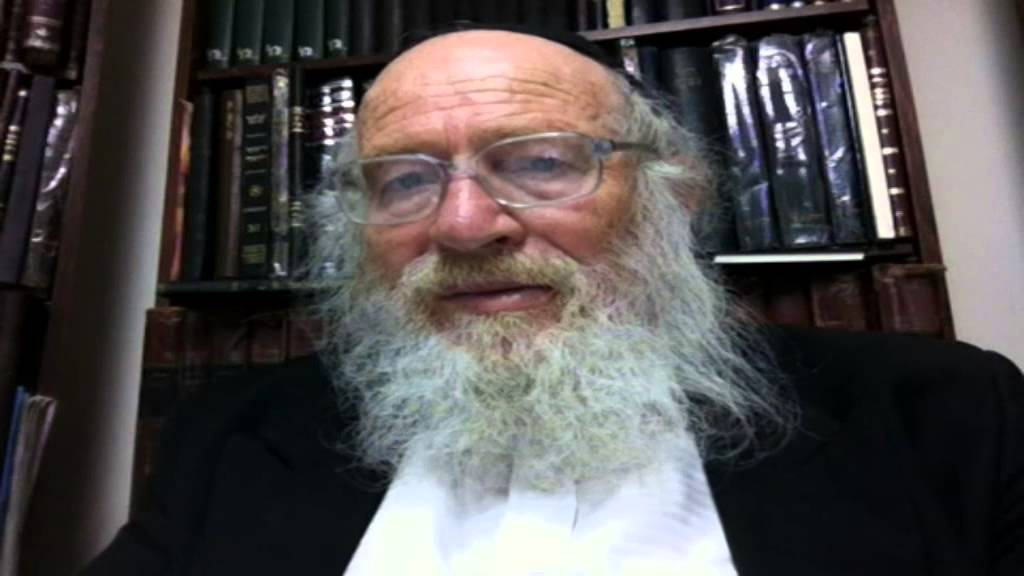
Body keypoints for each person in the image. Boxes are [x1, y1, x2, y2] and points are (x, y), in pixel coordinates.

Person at [84, 27, 1023, 576]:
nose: (465, 225)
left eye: (538, 164)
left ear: (672, 196)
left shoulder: (944, 415)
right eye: (404, 181)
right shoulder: (236, 431)